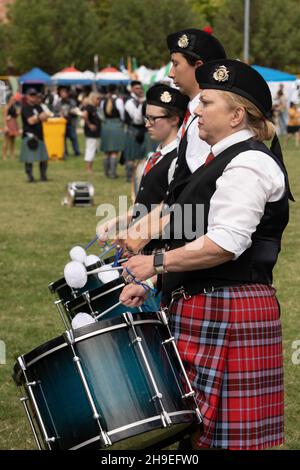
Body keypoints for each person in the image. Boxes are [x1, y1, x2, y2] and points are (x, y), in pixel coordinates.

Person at [119, 59, 293, 450]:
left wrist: (155, 263)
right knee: (196, 435)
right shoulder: (217, 162)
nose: (195, 108)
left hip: (230, 310)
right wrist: (155, 281)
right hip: (205, 305)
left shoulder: (248, 163)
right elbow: (193, 233)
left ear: (236, 115)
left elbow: (225, 243)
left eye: (207, 102)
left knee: (225, 441)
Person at [97, 83, 189, 255]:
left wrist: (136, 231)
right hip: (140, 244)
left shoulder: (178, 159)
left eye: (154, 119)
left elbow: (169, 208)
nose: (147, 124)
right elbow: (145, 205)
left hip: (160, 249)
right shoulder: (156, 154)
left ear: (174, 119)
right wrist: (118, 222)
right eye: (146, 118)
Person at [165, 28, 227, 195]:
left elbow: (199, 190)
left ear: (198, 67)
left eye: (176, 64)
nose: (171, 73)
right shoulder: (192, 114)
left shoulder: (206, 120)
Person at [20, 88, 49, 182]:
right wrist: (38, 117)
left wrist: (41, 117)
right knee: (29, 158)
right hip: (29, 136)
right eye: (31, 95)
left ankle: (43, 176)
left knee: (44, 158)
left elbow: (45, 118)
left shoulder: (38, 107)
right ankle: (30, 177)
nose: (33, 97)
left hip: (40, 135)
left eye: (34, 95)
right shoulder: (25, 108)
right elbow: (30, 121)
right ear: (27, 96)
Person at [100, 84, 125, 178]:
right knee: (114, 151)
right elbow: (122, 114)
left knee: (106, 151)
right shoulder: (118, 100)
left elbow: (102, 113)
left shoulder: (103, 101)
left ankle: (106, 173)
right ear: (116, 90)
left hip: (106, 125)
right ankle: (113, 173)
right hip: (116, 125)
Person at [123, 80, 146, 182]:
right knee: (131, 156)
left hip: (143, 130)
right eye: (137, 88)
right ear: (131, 89)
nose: (140, 90)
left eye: (140, 88)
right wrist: (141, 104)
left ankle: (138, 176)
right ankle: (130, 177)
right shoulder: (130, 102)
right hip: (133, 129)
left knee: (142, 155)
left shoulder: (142, 100)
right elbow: (137, 119)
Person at [56, 86, 81, 157]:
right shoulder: (58, 103)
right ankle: (65, 152)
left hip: (71, 123)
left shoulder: (72, 102)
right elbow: (54, 112)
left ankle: (77, 151)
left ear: (67, 94)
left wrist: (72, 111)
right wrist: (59, 114)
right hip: (62, 124)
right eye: (61, 93)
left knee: (73, 137)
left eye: (64, 93)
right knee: (63, 139)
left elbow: (76, 111)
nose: (63, 94)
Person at [82, 92, 101, 174]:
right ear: (92, 98)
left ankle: (90, 167)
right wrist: (90, 125)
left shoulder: (94, 107)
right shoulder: (89, 107)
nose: (99, 101)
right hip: (91, 132)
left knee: (93, 148)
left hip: (95, 132)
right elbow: (84, 115)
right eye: (97, 99)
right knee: (90, 148)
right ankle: (88, 168)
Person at [2, 93, 20, 160]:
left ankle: (12, 155)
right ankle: (4, 155)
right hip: (8, 124)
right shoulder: (7, 107)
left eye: (13, 99)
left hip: (14, 123)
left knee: (13, 141)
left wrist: (18, 112)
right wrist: (5, 126)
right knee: (6, 140)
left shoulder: (14, 107)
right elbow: (4, 117)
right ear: (9, 99)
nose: (13, 100)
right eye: (12, 99)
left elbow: (15, 116)